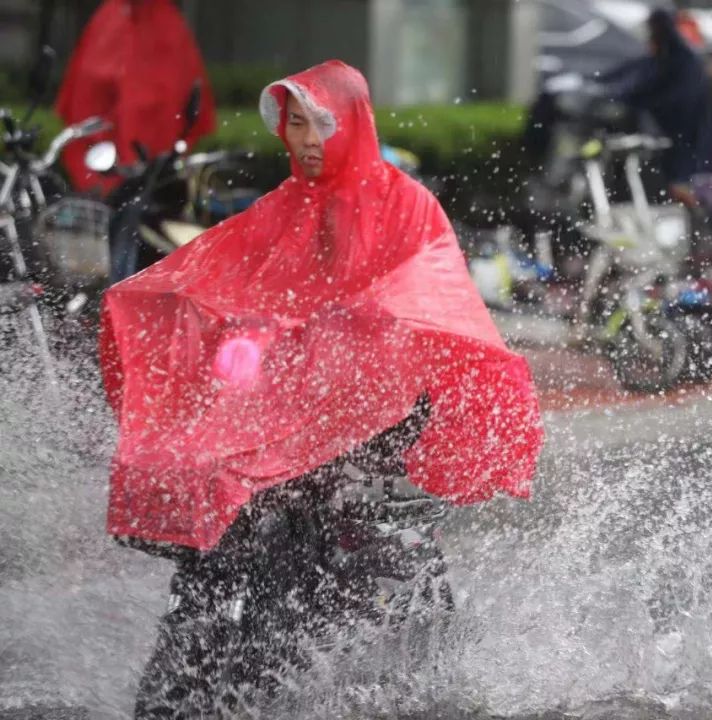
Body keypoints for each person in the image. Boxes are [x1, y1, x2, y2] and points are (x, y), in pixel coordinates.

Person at [99, 60, 544, 716]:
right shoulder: (280, 210)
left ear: (354, 124)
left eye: (322, 124)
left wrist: (359, 341)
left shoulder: (406, 205)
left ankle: (272, 688)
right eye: (296, 123)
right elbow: (226, 284)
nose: (308, 139)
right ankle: (180, 695)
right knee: (218, 552)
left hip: (374, 419)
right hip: (285, 418)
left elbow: (433, 302)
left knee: (318, 553)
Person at [55, 0, 216, 194]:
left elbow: (177, 92)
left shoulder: (160, 24)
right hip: (112, 162)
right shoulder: (112, 21)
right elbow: (87, 93)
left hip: (148, 161)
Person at [600, 8, 712, 200]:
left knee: (679, 174)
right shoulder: (670, 55)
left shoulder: (677, 59)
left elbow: (652, 87)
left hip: (682, 129)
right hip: (676, 129)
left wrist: (632, 99)